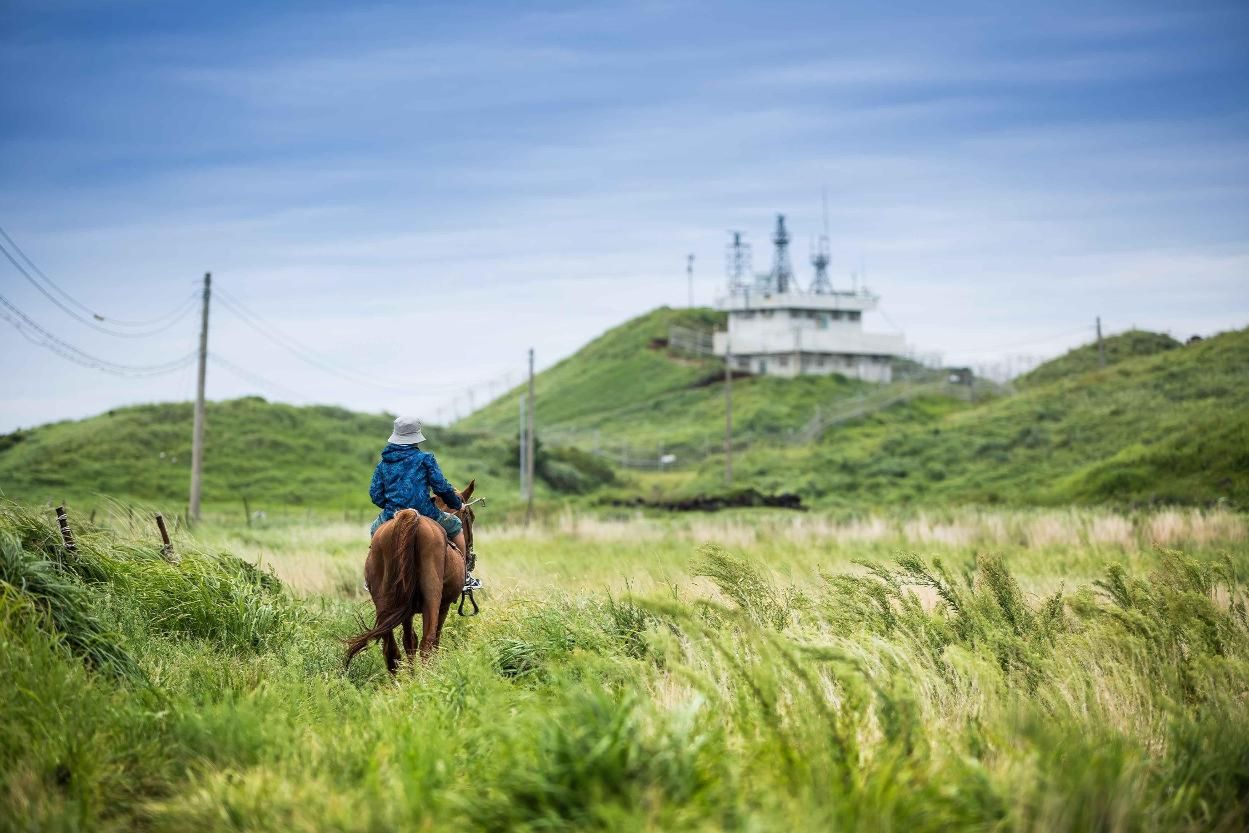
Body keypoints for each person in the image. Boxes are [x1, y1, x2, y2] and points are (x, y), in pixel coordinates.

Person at [368, 416, 481, 589]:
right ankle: (465, 575)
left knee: (375, 531)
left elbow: (375, 494)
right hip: (425, 512)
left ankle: (374, 577)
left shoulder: (384, 463)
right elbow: (441, 487)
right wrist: (458, 505)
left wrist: (393, 505)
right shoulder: (425, 459)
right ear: (416, 437)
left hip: (392, 513)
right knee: (456, 526)